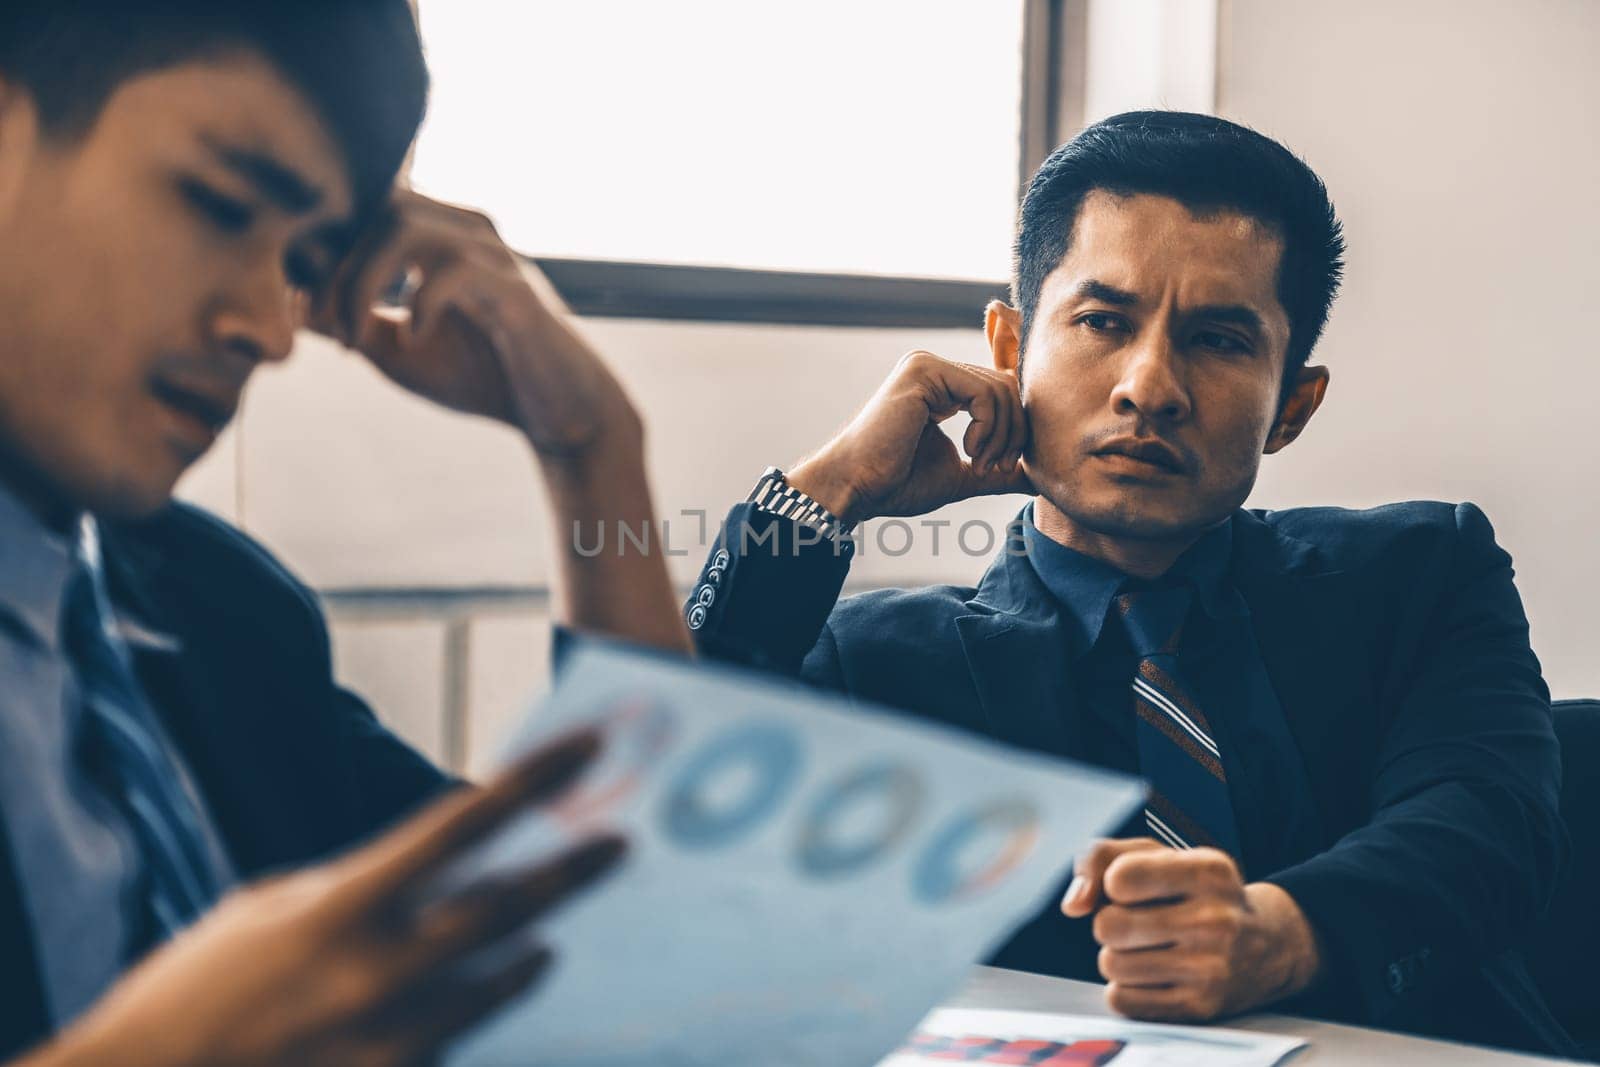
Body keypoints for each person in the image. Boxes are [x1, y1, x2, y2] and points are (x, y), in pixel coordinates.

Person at [685, 111, 1571, 1056]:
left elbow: (1485, 823)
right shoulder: (875, 663)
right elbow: (660, 830)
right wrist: (826, 493)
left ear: (1293, 408)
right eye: (1104, 322)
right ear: (1010, 347)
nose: (1149, 386)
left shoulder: (1422, 574)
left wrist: (1277, 934)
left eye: (1220, 339)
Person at [0, 1, 686, 1063]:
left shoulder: (220, 607)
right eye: (222, 205)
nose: (271, 330)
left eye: (304, 264)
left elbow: (606, 925)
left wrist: (593, 447)